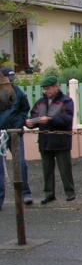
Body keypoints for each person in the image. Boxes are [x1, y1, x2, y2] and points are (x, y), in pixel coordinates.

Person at [25, 75, 75, 204]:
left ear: (56, 87)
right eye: (45, 89)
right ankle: (49, 194)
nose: (47, 91)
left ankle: (70, 192)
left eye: (49, 88)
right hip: (45, 141)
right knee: (47, 170)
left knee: (65, 169)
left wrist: (50, 119)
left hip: (61, 140)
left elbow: (67, 118)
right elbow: (34, 116)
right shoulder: (40, 102)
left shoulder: (66, 100)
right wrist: (30, 123)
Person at [0, 67, 33, 209]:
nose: (11, 83)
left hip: (14, 133)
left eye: (12, 80)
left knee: (20, 163)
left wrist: (18, 125)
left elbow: (25, 109)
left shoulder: (18, 92)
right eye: (8, 80)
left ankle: (25, 193)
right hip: (1, 134)